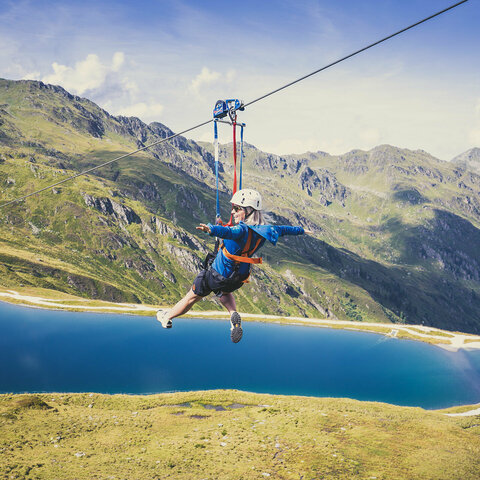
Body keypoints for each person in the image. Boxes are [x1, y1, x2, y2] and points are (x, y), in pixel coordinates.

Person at [156, 189, 309, 343]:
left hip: (217, 274)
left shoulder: (240, 230)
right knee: (223, 291)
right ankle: (233, 316)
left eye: (237, 208)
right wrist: (302, 230)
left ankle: (166, 317)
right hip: (237, 277)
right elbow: (285, 229)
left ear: (248, 211)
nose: (232, 211)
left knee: (191, 298)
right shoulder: (267, 230)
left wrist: (211, 229)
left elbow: (227, 232)